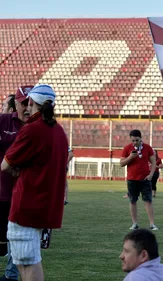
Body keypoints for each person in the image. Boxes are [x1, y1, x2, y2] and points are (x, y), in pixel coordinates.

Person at [1, 84, 68, 281]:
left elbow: (5, 164)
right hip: (45, 205)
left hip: (27, 205)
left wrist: (16, 167)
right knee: (27, 260)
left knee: (28, 262)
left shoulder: (32, 130)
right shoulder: (59, 131)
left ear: (31, 102)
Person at [0, 87, 31, 281]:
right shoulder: (3, 121)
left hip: (25, 193)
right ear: (16, 104)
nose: (27, 107)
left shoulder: (39, 127)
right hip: (1, 189)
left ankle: (11, 275)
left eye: (31, 103)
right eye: (23, 103)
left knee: (17, 236)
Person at [120, 130, 158, 231]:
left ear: (141, 138)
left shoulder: (147, 148)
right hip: (132, 179)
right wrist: (131, 157)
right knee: (133, 201)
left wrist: (151, 174)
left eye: (137, 140)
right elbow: (122, 163)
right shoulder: (127, 148)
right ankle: (134, 223)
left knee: (148, 201)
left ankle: (152, 224)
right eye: (133, 140)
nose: (135, 142)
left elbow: (153, 162)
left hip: (145, 179)